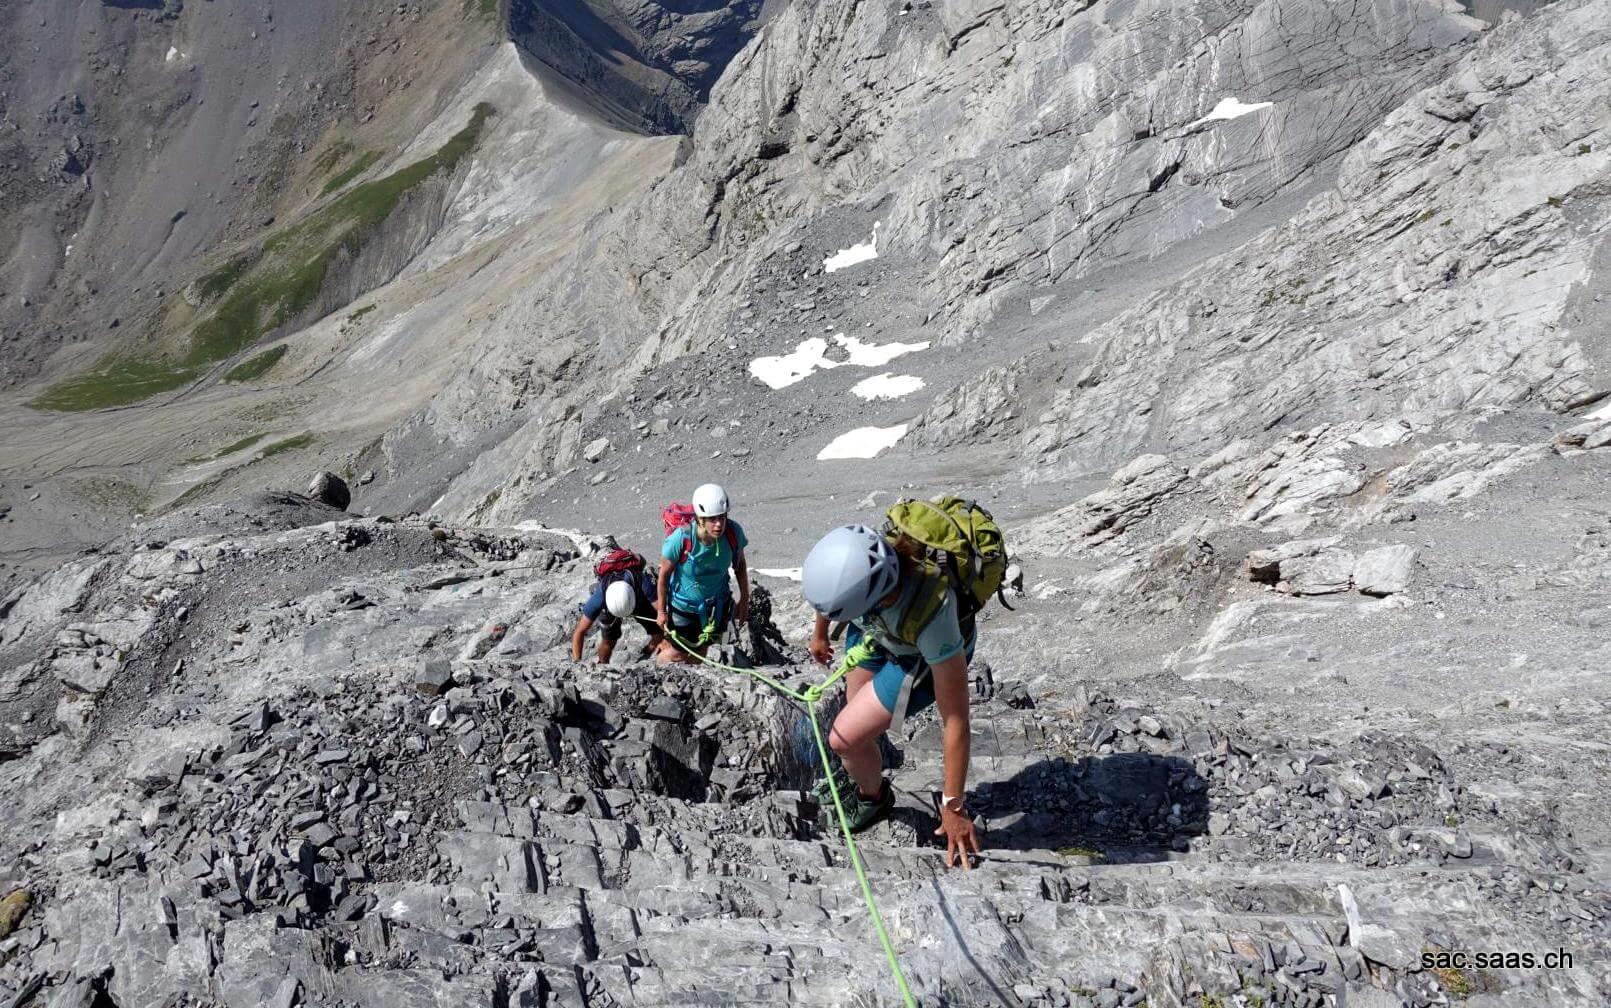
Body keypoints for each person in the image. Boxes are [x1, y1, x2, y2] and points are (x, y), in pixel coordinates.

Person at [801, 524, 983, 869]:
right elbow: (834, 591)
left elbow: (956, 719)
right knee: (856, 724)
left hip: (919, 657)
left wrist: (954, 807)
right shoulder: (866, 561)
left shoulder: (934, 618)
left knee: (843, 739)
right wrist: (820, 634)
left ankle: (873, 798)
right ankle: (864, 768)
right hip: (879, 631)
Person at [656, 483, 751, 663]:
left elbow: (740, 565)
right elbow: (663, 575)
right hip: (684, 609)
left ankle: (695, 674)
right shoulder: (682, 538)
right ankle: (658, 670)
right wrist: (661, 611)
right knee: (678, 653)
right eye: (712, 519)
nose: (719, 524)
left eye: (722, 517)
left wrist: (744, 599)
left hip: (718, 607)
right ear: (700, 519)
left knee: (705, 649)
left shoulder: (733, 533)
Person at [571, 547, 662, 663]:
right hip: (613, 607)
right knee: (608, 641)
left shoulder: (641, 581)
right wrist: (576, 662)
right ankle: (602, 664)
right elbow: (579, 631)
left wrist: (667, 638)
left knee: (658, 633)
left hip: (639, 601)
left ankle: (648, 651)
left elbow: (662, 611)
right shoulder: (601, 595)